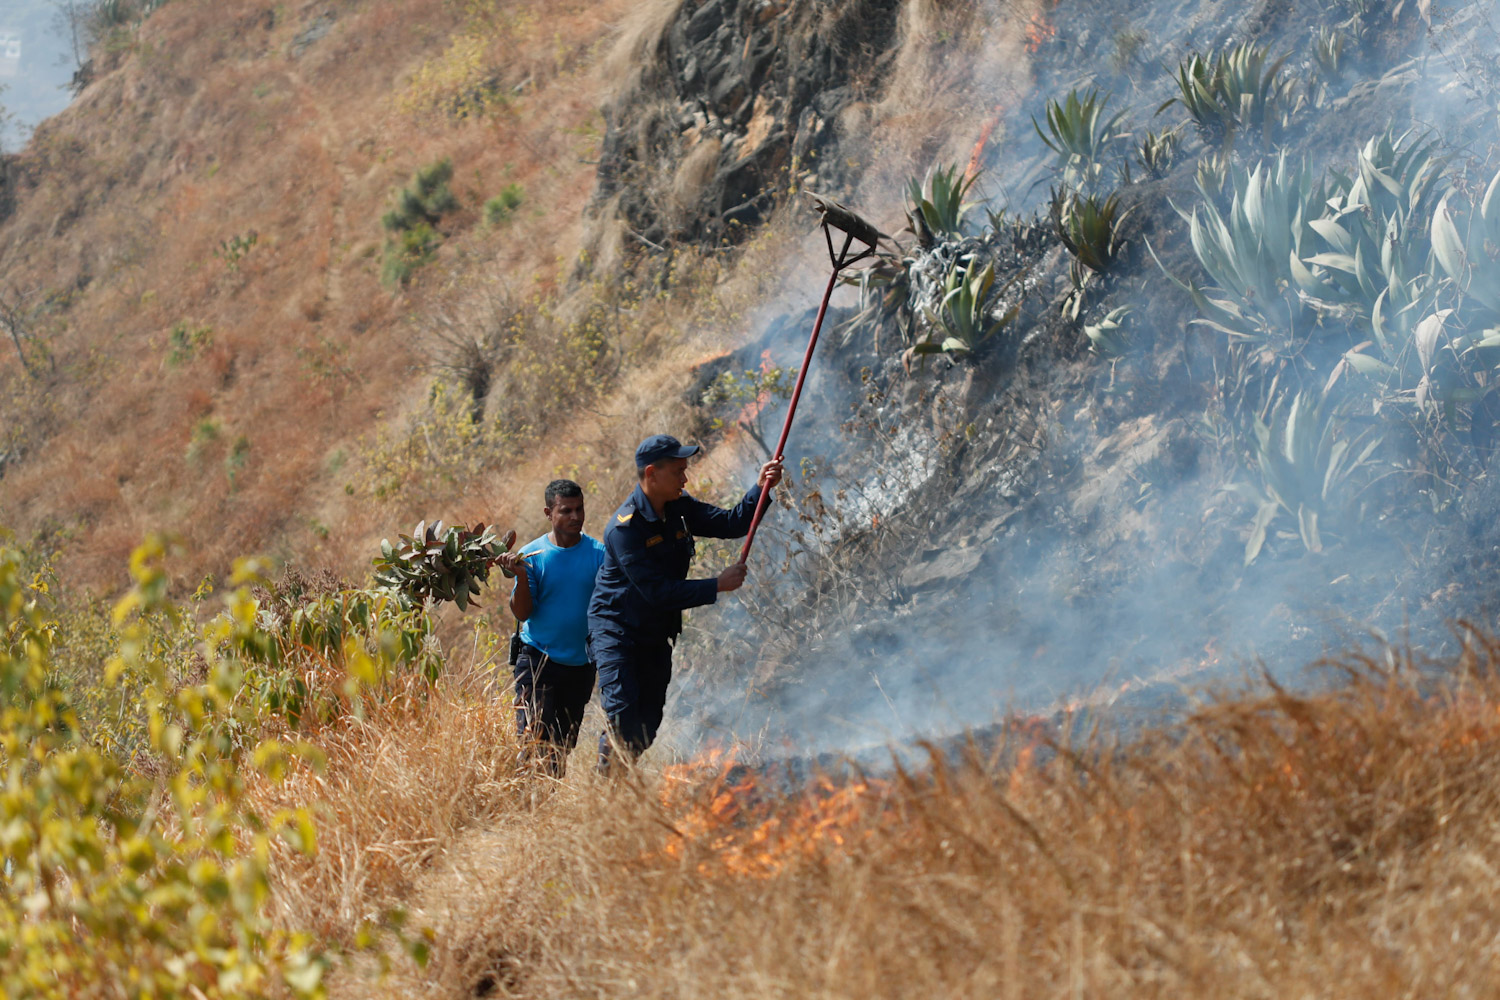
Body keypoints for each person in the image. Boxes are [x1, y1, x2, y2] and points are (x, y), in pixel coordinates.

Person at [587, 434, 783, 771]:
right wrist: (716, 585)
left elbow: (732, 523)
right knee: (623, 715)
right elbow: (658, 593)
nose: (685, 478)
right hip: (616, 630)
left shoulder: (679, 507)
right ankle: (605, 797)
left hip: (654, 631)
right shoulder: (625, 529)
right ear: (651, 474)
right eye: (678, 471)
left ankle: (618, 781)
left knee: (646, 727)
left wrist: (760, 487)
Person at [495, 479, 606, 777]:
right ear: (549, 513)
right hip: (537, 658)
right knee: (533, 740)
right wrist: (519, 576)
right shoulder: (532, 556)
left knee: (561, 748)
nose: (575, 517)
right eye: (566, 510)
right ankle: (526, 806)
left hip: (580, 665)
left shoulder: (600, 555)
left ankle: (544, 809)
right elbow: (522, 611)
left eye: (579, 509)